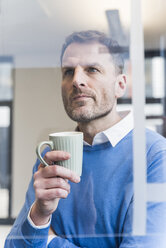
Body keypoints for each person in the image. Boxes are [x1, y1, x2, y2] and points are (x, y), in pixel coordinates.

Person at [5, 30, 166, 248]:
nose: (77, 80)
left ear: (121, 85)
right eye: (68, 72)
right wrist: (40, 216)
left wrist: (52, 242)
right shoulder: (51, 156)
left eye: (92, 69)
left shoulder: (155, 155)